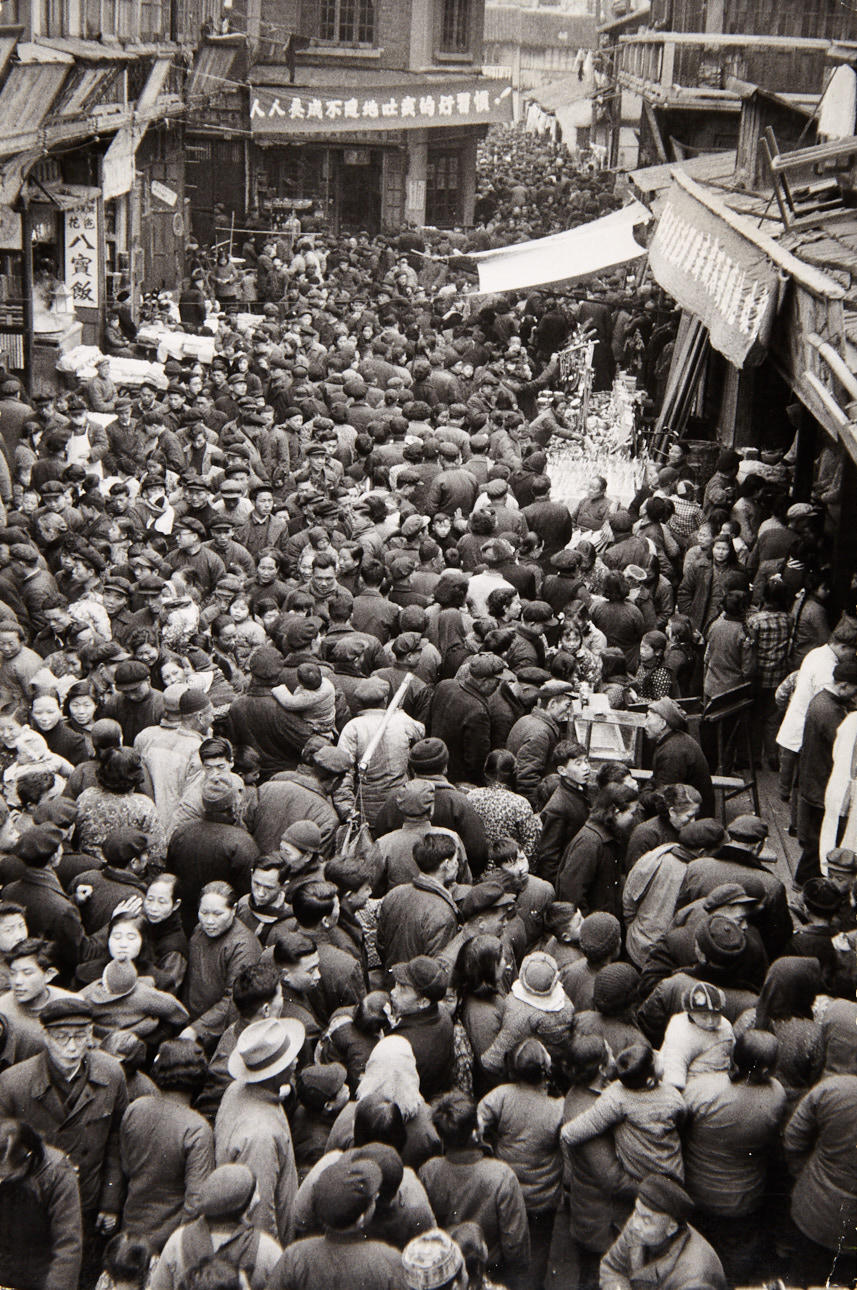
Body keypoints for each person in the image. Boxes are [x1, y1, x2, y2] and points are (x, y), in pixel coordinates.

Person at [599, 1174, 726, 1290]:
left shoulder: (694, 1278)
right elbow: (612, 1267)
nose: (635, 1224)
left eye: (647, 1221)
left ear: (671, 1228)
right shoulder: (637, 1226)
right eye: (636, 1212)